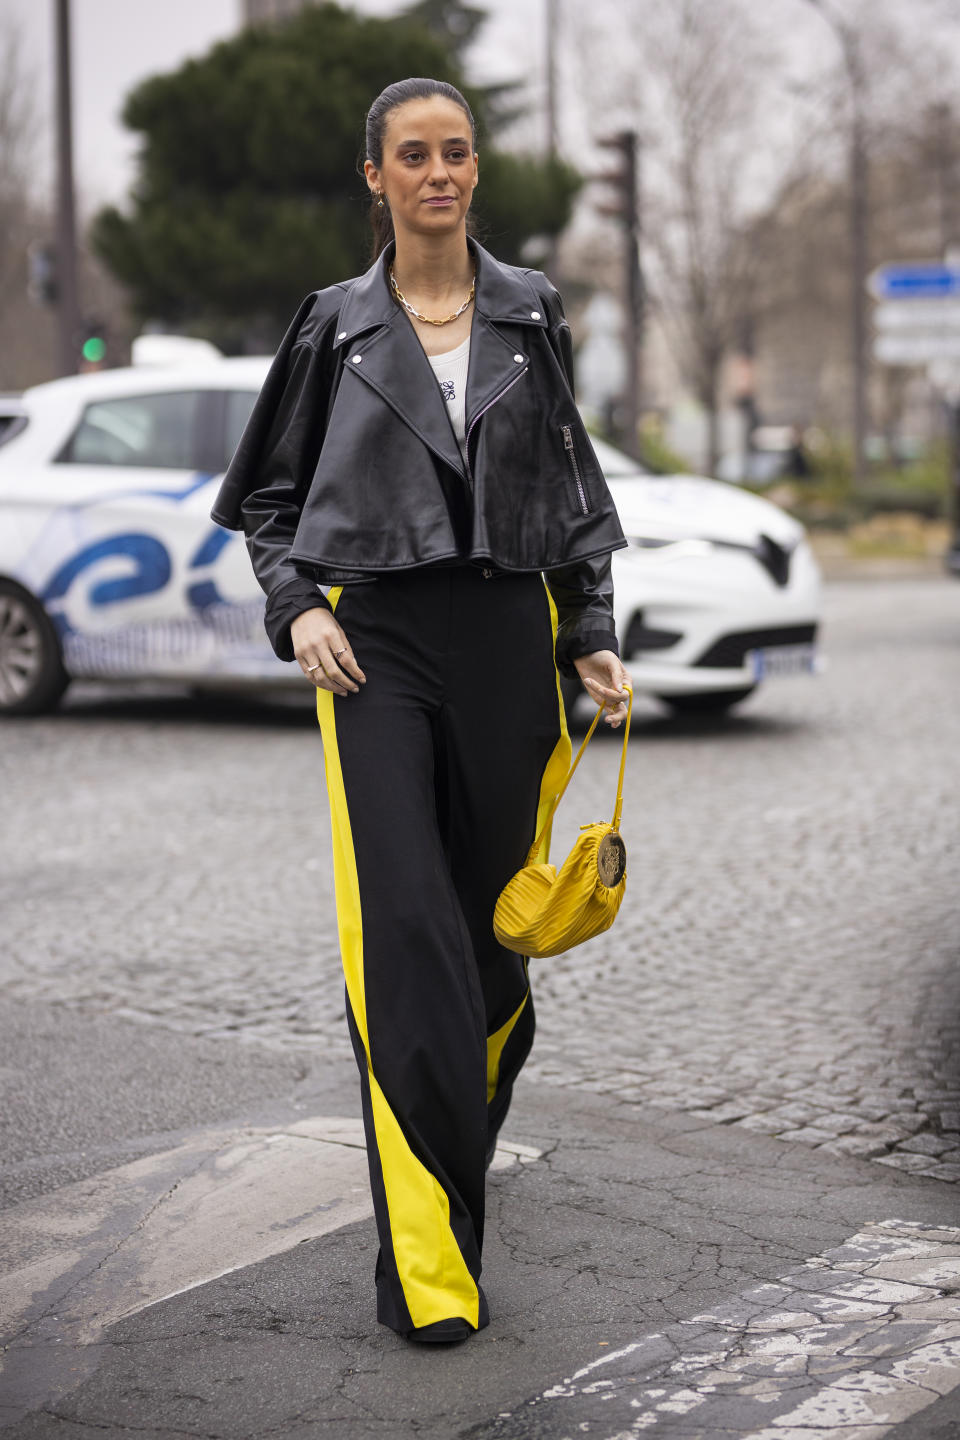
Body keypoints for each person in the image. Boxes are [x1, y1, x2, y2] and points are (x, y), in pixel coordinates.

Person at [211, 77, 630, 1346]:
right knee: (403, 932)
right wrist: (300, 609)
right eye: (413, 155)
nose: (438, 172)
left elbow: (570, 492)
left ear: (472, 173)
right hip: (376, 646)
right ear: (375, 178)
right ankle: (430, 1264)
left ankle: (460, 1117)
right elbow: (270, 501)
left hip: (513, 641)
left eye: (456, 153)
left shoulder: (528, 311)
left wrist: (594, 634)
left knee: (490, 940)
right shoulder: (332, 325)